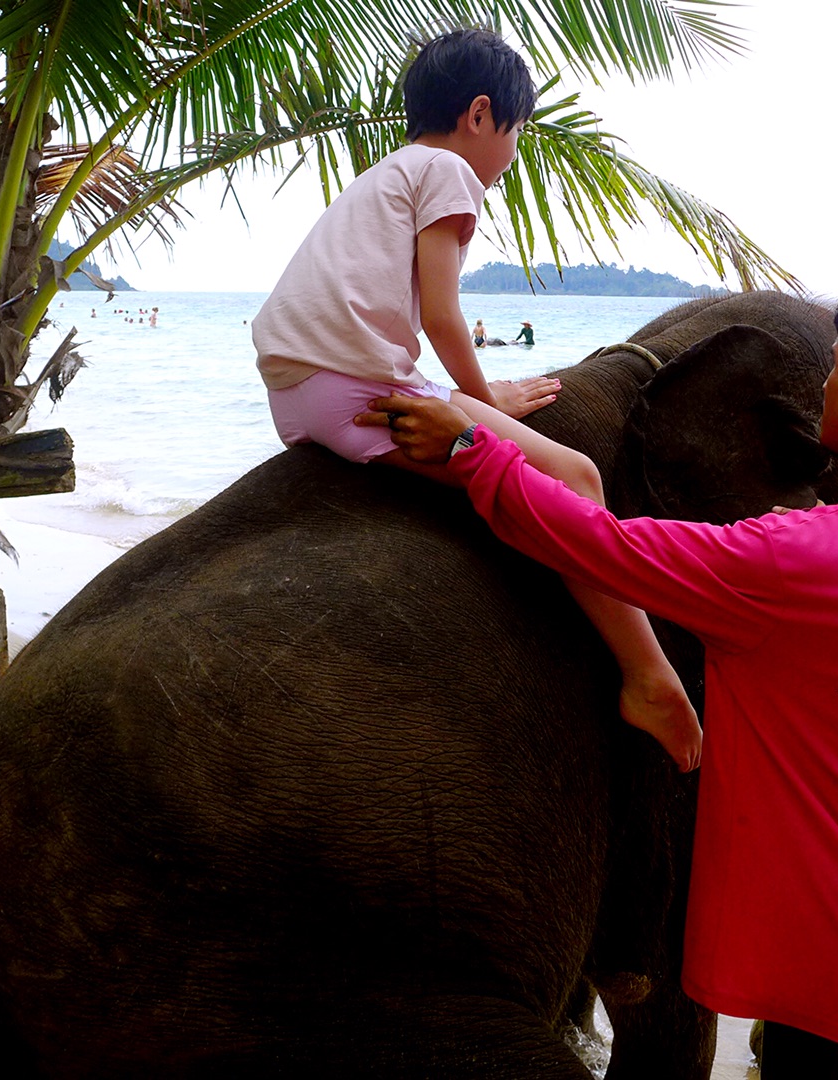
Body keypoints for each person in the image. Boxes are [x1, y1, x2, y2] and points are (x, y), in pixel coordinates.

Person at [362, 268, 838, 1079]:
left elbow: (600, 544)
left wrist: (468, 449)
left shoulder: (799, 562)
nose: (825, 380)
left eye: (837, 362)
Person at [251, 28, 701, 769]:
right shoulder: (448, 172)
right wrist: (479, 395)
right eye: (518, 133)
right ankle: (650, 678)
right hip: (359, 389)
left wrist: (477, 404)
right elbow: (441, 314)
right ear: (481, 114)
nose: (513, 155)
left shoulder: (384, 173)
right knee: (574, 477)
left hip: (298, 393)